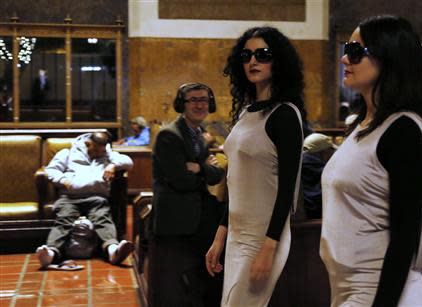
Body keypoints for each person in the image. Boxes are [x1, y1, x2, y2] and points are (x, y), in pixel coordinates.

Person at [320, 15, 422, 307]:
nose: (345, 59)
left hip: (382, 289)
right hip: (347, 286)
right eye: (347, 48)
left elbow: (405, 237)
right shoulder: (362, 124)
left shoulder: (403, 130)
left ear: (389, 58)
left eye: (356, 52)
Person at [205, 26, 306, 306]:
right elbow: (235, 181)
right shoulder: (245, 112)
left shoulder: (285, 115)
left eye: (262, 54)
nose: (253, 61)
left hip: (263, 237)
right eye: (247, 55)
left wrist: (269, 246)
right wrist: (220, 236)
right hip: (237, 234)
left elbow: (287, 190)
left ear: (278, 61)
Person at [151, 83, 225, 306]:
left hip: (197, 211)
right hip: (177, 216)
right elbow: (181, 181)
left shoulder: (199, 133)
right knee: (177, 287)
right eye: (193, 100)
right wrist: (206, 169)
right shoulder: (169, 135)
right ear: (181, 105)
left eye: (203, 99)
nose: (200, 104)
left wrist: (200, 168)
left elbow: (215, 176)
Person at [36, 132, 134, 268]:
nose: (98, 154)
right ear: (88, 143)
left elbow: (129, 162)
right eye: (95, 150)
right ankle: (51, 253)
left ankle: (113, 251)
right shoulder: (67, 153)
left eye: (101, 151)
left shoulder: (108, 154)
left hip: (97, 197)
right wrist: (62, 180)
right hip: (70, 197)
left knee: (102, 218)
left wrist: (113, 165)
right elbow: (51, 170)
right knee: (64, 220)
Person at [301, 133, 337, 219]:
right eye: (331, 150)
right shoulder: (322, 170)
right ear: (324, 151)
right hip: (315, 214)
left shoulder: (299, 164)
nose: (333, 154)